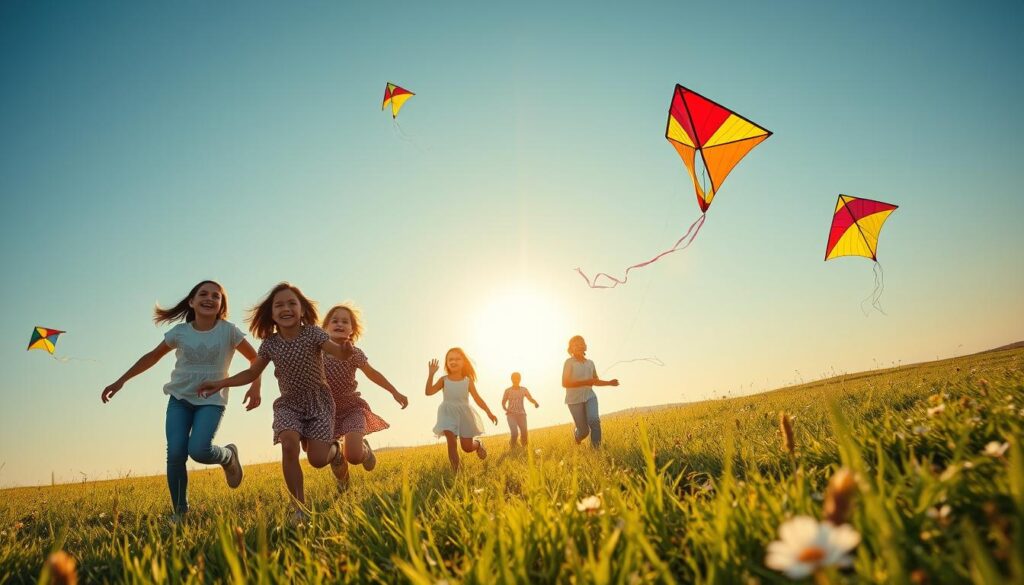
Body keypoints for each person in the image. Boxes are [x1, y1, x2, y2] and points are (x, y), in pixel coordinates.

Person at [101, 280, 261, 518]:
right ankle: (180, 512)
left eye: (216, 296)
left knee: (199, 450)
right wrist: (121, 380)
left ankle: (228, 456)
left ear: (221, 305)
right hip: (179, 398)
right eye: (203, 294)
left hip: (211, 400)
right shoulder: (180, 332)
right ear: (192, 301)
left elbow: (255, 359)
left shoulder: (229, 331)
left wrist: (255, 387)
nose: (209, 298)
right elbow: (151, 357)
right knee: (176, 453)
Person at [197, 282, 351, 520]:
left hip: (318, 402)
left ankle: (336, 452)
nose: (286, 308)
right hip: (289, 404)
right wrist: (220, 383)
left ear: (301, 310)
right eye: (279, 305)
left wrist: (345, 351)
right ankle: (300, 509)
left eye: (292, 303)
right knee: (289, 444)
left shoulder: (313, 333)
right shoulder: (270, 344)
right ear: (271, 313)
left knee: (317, 460)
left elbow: (336, 351)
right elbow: (251, 373)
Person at [320, 303, 408, 492]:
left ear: (352, 330)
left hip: (352, 408)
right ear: (325, 327)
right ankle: (344, 486)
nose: (339, 324)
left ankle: (364, 450)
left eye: (345, 321)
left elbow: (372, 373)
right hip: (326, 413)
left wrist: (394, 391)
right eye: (334, 320)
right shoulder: (317, 353)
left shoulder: (354, 353)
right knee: (331, 453)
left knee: (352, 455)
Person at [425, 348, 498, 471]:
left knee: (467, 447)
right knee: (451, 442)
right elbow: (428, 392)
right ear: (447, 363)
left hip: (464, 414)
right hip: (447, 412)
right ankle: (456, 472)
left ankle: (478, 444)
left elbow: (477, 398)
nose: (453, 361)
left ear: (464, 362)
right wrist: (431, 374)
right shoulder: (444, 380)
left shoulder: (467, 381)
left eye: (457, 359)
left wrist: (489, 412)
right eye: (450, 359)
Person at [562, 335, 618, 448]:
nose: (578, 346)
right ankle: (577, 436)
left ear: (585, 346)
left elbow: (594, 381)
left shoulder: (590, 363)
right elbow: (565, 383)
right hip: (574, 401)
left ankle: (595, 450)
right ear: (571, 349)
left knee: (594, 420)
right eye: (575, 345)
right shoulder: (569, 362)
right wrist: (586, 382)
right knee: (584, 432)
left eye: (581, 343)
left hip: (590, 396)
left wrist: (609, 383)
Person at [501, 372, 539, 449]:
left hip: (522, 414)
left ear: (520, 379)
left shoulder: (524, 390)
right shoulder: (507, 390)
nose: (516, 380)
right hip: (511, 415)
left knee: (524, 433)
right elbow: (503, 402)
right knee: (514, 433)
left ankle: (524, 448)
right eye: (514, 378)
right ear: (511, 379)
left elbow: (530, 398)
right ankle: (512, 445)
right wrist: (506, 409)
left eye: (517, 378)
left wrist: (535, 402)